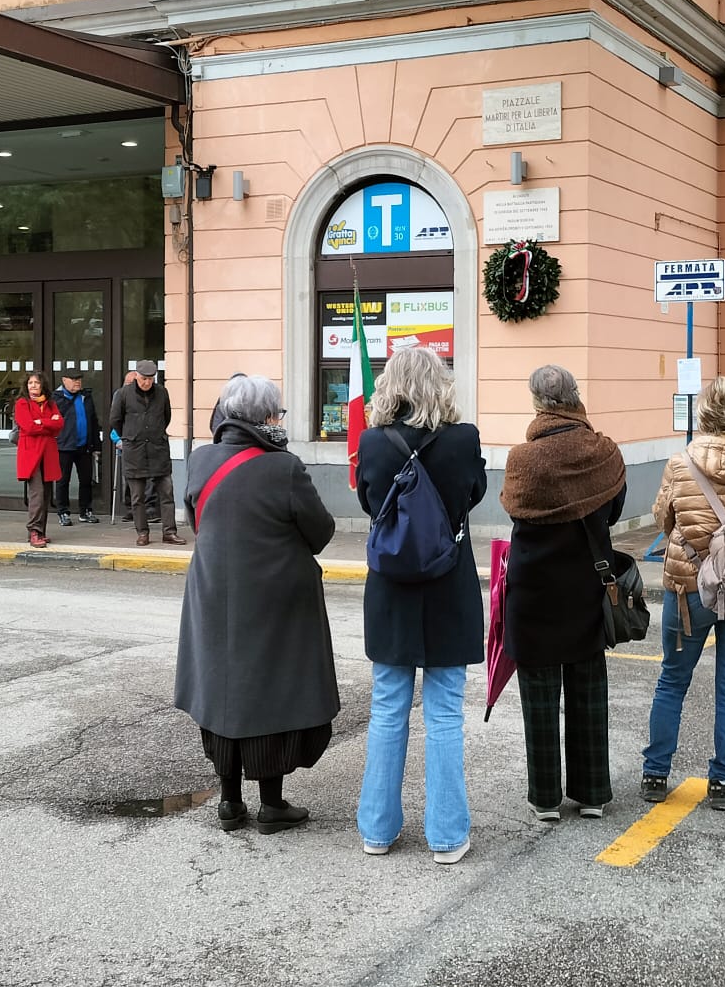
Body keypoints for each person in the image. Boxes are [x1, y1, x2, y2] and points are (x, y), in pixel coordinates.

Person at [176, 374, 338, 834]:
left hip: (211, 594)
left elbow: (198, 521)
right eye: (278, 413)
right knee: (271, 695)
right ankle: (271, 804)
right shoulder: (283, 467)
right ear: (267, 418)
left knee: (220, 694)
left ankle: (229, 803)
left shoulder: (201, 458)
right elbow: (321, 532)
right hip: (274, 601)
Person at [354, 347, 487, 864]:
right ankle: (448, 836)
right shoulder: (463, 439)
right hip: (448, 588)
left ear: (392, 385)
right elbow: (473, 493)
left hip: (390, 588)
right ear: (441, 385)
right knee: (446, 714)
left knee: (387, 711)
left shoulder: (372, 442)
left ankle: (378, 830)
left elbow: (369, 502)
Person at [641, 375, 725, 812]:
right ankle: (722, 781)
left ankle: (656, 773)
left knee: (672, 680)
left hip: (690, 588)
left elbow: (663, 518)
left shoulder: (681, 463)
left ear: (704, 413)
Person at [499, 364, 627, 822]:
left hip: (534, 592)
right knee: (588, 690)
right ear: (575, 398)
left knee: (539, 696)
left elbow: (515, 511)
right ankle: (592, 793)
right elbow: (613, 512)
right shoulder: (603, 452)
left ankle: (546, 798)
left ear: (536, 403)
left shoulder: (522, 459)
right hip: (586, 585)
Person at [110, 360, 181, 547]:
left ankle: (169, 532)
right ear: (136, 376)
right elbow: (115, 420)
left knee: (167, 493)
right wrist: (130, 436)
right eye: (143, 379)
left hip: (158, 449)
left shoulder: (162, 392)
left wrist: (154, 433)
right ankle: (142, 532)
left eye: (150, 379)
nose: (146, 383)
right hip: (135, 451)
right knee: (137, 497)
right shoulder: (123, 394)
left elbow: (167, 417)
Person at [12, 372, 66, 548]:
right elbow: (27, 426)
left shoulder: (50, 403)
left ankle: (40, 532)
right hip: (31, 453)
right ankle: (34, 530)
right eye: (30, 383)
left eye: (36, 383)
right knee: (37, 493)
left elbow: (59, 425)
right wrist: (48, 422)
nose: (33, 386)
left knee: (46, 495)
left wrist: (40, 422)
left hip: (47, 453)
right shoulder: (22, 403)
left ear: (43, 385)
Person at [53, 368, 102, 526]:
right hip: (64, 446)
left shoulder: (85, 397)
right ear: (64, 380)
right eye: (74, 379)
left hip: (84, 446)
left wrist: (96, 445)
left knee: (86, 480)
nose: (77, 382)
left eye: (79, 379)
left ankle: (85, 510)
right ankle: (63, 512)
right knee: (63, 481)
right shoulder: (56, 398)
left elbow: (93, 421)